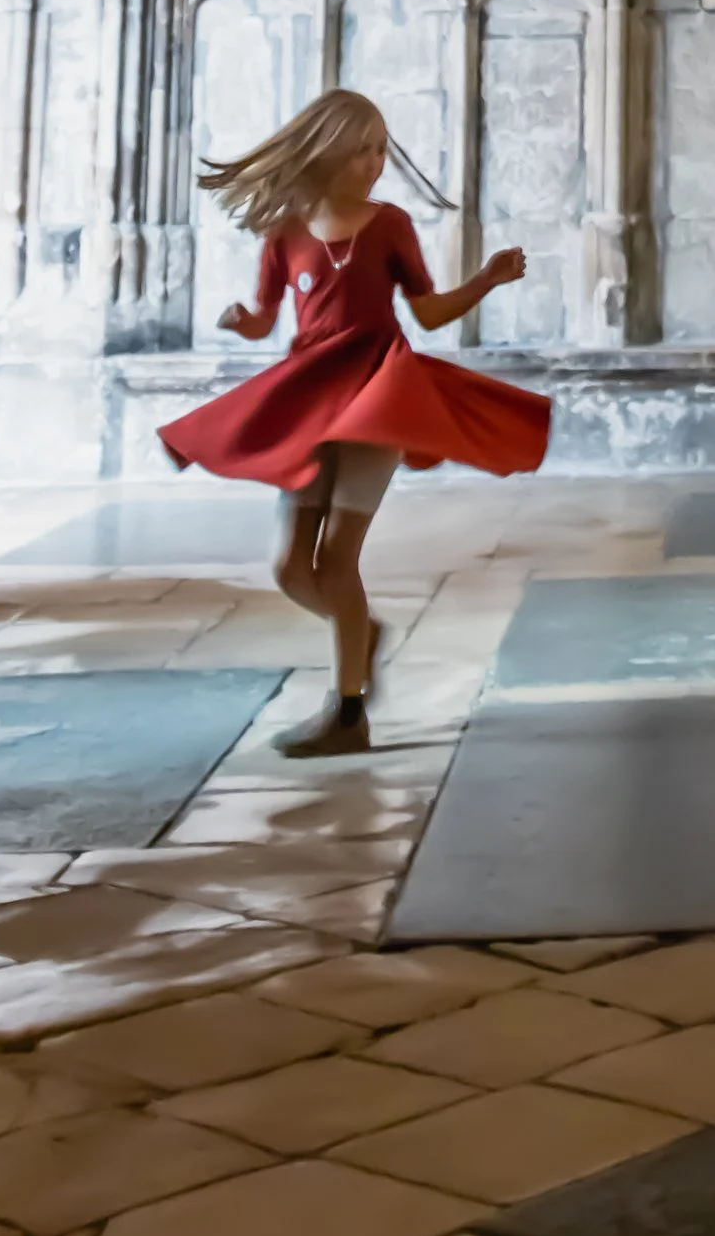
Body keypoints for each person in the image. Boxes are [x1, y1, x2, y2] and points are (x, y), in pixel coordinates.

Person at [160, 89, 551, 756]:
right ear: (326, 152)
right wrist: (240, 321)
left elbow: (425, 313)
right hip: (311, 401)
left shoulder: (391, 225)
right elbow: (265, 316)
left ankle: (347, 711)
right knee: (290, 567)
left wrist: (484, 280)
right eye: (362, 150)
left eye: (380, 150)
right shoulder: (284, 230)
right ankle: (360, 633)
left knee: (338, 558)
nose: (375, 163)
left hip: (378, 397)